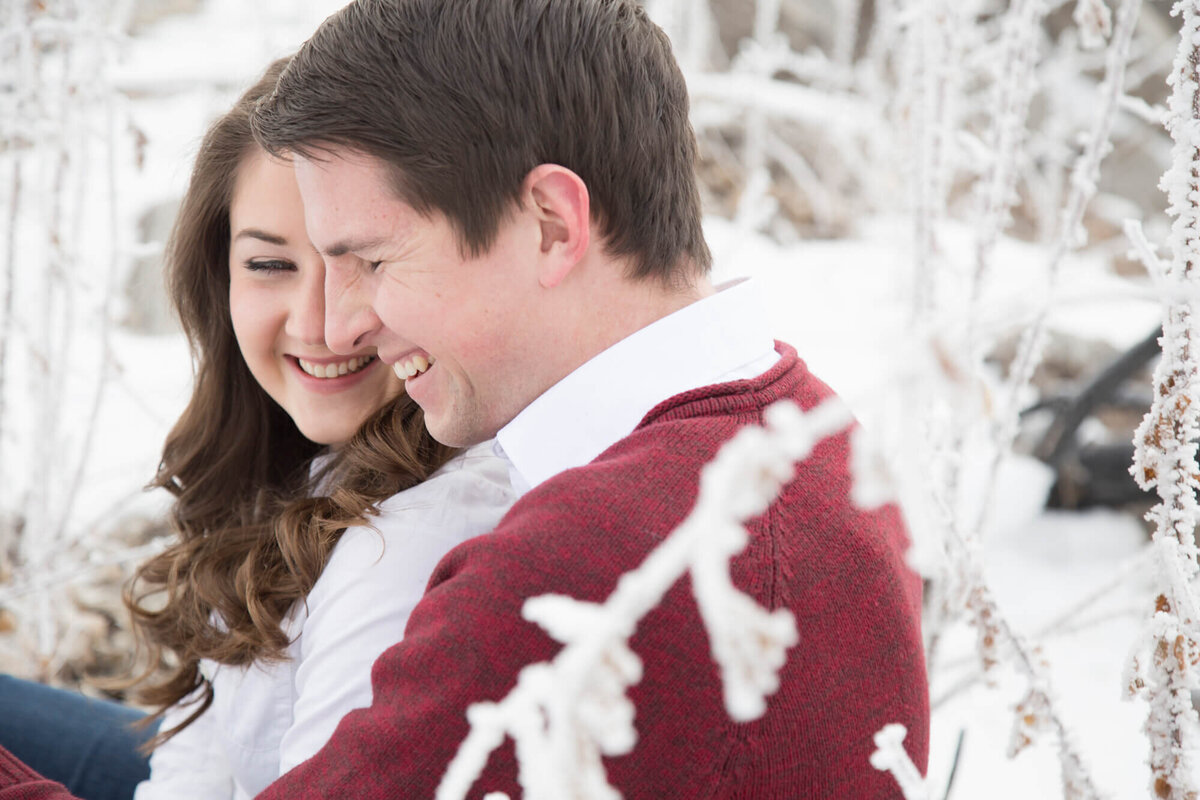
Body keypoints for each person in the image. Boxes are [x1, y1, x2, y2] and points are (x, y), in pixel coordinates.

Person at [0, 0, 928, 798]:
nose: (346, 322)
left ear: (552, 225)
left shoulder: (583, 562)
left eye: (370, 260)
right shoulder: (803, 432)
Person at [0, 57, 515, 800]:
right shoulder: (299, 457)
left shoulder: (415, 541)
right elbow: (192, 768)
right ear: (221, 276)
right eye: (270, 263)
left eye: (366, 263)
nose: (320, 324)